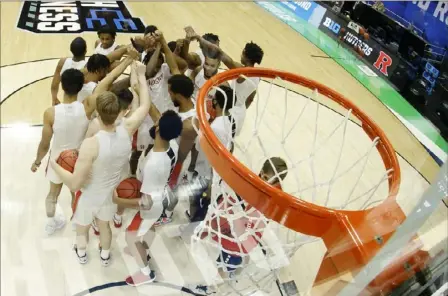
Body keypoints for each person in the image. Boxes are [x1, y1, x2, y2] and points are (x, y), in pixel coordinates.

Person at [50, 57, 149, 267]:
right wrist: (140, 76)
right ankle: (105, 256)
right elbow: (145, 107)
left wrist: (55, 164)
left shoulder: (91, 143)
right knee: (105, 226)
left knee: (82, 228)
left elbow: (75, 183)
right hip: (110, 193)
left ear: (99, 113)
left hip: (90, 194)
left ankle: (82, 253)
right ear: (121, 111)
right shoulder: (128, 128)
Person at [30, 55, 131, 236]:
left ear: (62, 86)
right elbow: (107, 80)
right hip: (78, 159)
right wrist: (127, 61)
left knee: (52, 195)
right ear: (81, 87)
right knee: (75, 194)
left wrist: (37, 161)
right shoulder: (87, 106)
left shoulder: (50, 113)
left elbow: (44, 144)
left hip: (57, 160)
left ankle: (51, 223)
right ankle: (77, 223)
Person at [191, 157, 288, 296]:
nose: (263, 180)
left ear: (278, 181)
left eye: (267, 178)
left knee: (224, 263)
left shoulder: (271, 202)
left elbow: (250, 226)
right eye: (263, 175)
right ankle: (234, 269)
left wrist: (235, 232)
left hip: (243, 237)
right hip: (241, 224)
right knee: (233, 256)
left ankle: (211, 289)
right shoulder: (257, 181)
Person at [113, 109, 183, 286]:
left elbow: (146, 203)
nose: (156, 122)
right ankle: (143, 249)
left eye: (158, 121)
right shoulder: (172, 145)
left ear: (158, 128)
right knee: (149, 227)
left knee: (130, 236)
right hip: (161, 194)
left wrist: (119, 201)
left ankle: (146, 273)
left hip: (152, 203)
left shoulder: (154, 165)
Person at [187, 86, 240, 223]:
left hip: (206, 172)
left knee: (195, 199)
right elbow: (230, 147)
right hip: (215, 172)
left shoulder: (215, 128)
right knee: (202, 200)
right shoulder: (231, 120)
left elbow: (200, 148)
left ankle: (193, 225)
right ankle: (196, 219)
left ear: (215, 102)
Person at [51, 37, 87, 106]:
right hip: (82, 104)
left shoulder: (62, 62)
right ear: (85, 51)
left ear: (71, 50)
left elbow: (54, 84)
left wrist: (54, 98)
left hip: (67, 102)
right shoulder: (88, 66)